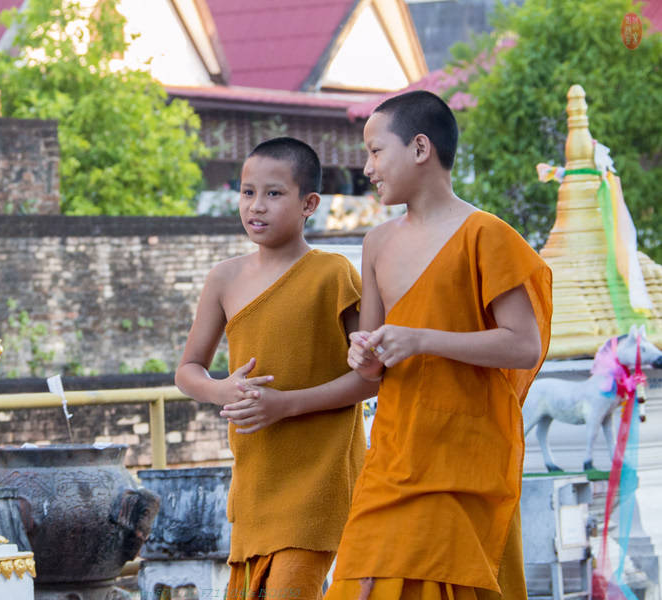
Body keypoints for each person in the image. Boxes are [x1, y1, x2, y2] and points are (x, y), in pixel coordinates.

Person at [324, 91, 553, 600]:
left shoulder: (486, 235)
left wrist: (424, 339)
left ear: (421, 148)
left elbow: (523, 346)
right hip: (395, 452)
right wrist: (363, 354)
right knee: (359, 580)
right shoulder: (377, 244)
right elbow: (373, 368)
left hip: (465, 449)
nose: (368, 168)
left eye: (377, 151)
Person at [175, 137, 378, 600]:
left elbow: (372, 376)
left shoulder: (333, 274)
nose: (256, 207)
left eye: (273, 193)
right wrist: (220, 390)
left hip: (322, 473)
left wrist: (285, 405)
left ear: (309, 203)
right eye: (247, 192)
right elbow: (188, 369)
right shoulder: (224, 278)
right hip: (256, 475)